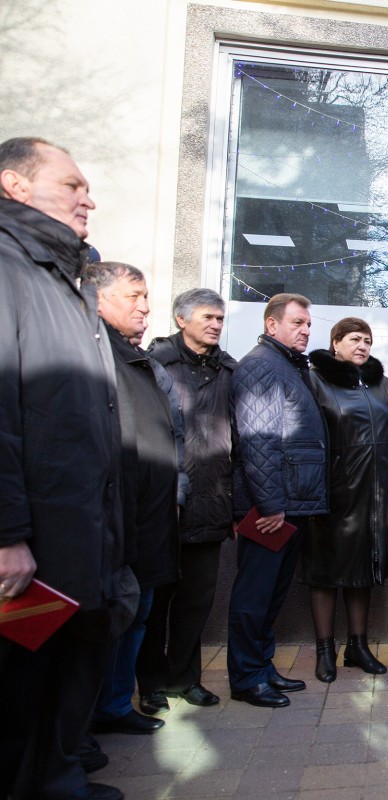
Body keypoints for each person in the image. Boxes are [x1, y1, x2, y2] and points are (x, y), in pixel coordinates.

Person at [0, 137, 133, 800]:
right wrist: (6, 532)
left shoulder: (66, 279)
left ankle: (57, 778)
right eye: (72, 184)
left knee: (64, 664)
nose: (89, 198)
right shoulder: (7, 268)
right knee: (21, 678)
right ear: (14, 185)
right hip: (31, 538)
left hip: (77, 525)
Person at [84, 262, 186, 737]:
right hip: (115, 521)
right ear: (99, 299)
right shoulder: (93, 354)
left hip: (151, 518)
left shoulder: (138, 358)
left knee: (139, 615)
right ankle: (85, 719)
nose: (145, 307)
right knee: (111, 620)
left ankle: (114, 704)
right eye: (134, 296)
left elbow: (171, 433)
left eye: (147, 297)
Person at [139, 289, 237, 712]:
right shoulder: (155, 364)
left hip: (212, 500)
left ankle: (185, 679)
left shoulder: (227, 370)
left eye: (220, 318)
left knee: (197, 600)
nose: (215, 324)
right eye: (208, 317)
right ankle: (151, 684)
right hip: (165, 505)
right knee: (157, 601)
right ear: (182, 320)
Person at [227, 293, 327, 708]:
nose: (305, 330)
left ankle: (262, 668)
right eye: (297, 323)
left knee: (271, 596)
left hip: (291, 503)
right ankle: (247, 678)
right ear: (272, 325)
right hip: (271, 509)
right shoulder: (260, 366)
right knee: (254, 596)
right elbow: (258, 440)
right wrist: (270, 505)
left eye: (308, 324)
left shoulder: (284, 365)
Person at [303, 318, 388, 682]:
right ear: (335, 344)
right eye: (355, 339)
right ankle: (325, 650)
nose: (362, 346)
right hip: (333, 491)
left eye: (368, 341)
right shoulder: (315, 379)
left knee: (363, 571)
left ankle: (358, 647)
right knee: (325, 573)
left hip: (372, 493)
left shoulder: (380, 383)